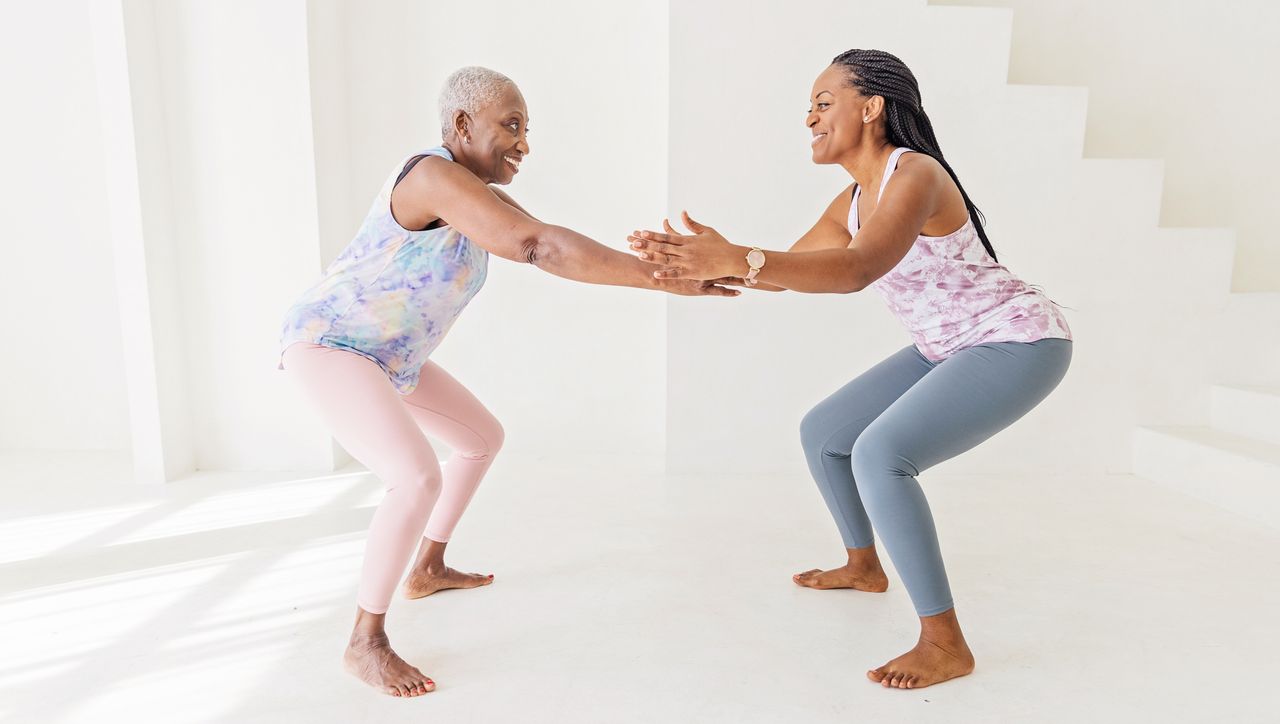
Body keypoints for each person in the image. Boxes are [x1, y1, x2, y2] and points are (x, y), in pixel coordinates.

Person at [279, 66, 736, 698]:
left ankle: (429, 565)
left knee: (480, 438)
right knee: (415, 476)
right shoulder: (433, 176)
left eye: (526, 129)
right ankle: (365, 640)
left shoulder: (476, 194)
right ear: (462, 125)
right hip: (331, 343)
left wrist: (665, 267)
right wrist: (663, 280)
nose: (524, 144)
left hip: (392, 357)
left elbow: (544, 238)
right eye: (511, 126)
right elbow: (537, 246)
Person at [628, 49, 1072, 690]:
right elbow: (785, 274)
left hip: (1019, 340)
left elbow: (858, 270)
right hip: (945, 344)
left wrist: (742, 258)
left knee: (881, 452)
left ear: (872, 108)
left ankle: (944, 643)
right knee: (827, 433)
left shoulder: (915, 174)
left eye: (822, 102)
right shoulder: (853, 199)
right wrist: (705, 264)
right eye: (808, 106)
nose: (809, 116)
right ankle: (864, 566)